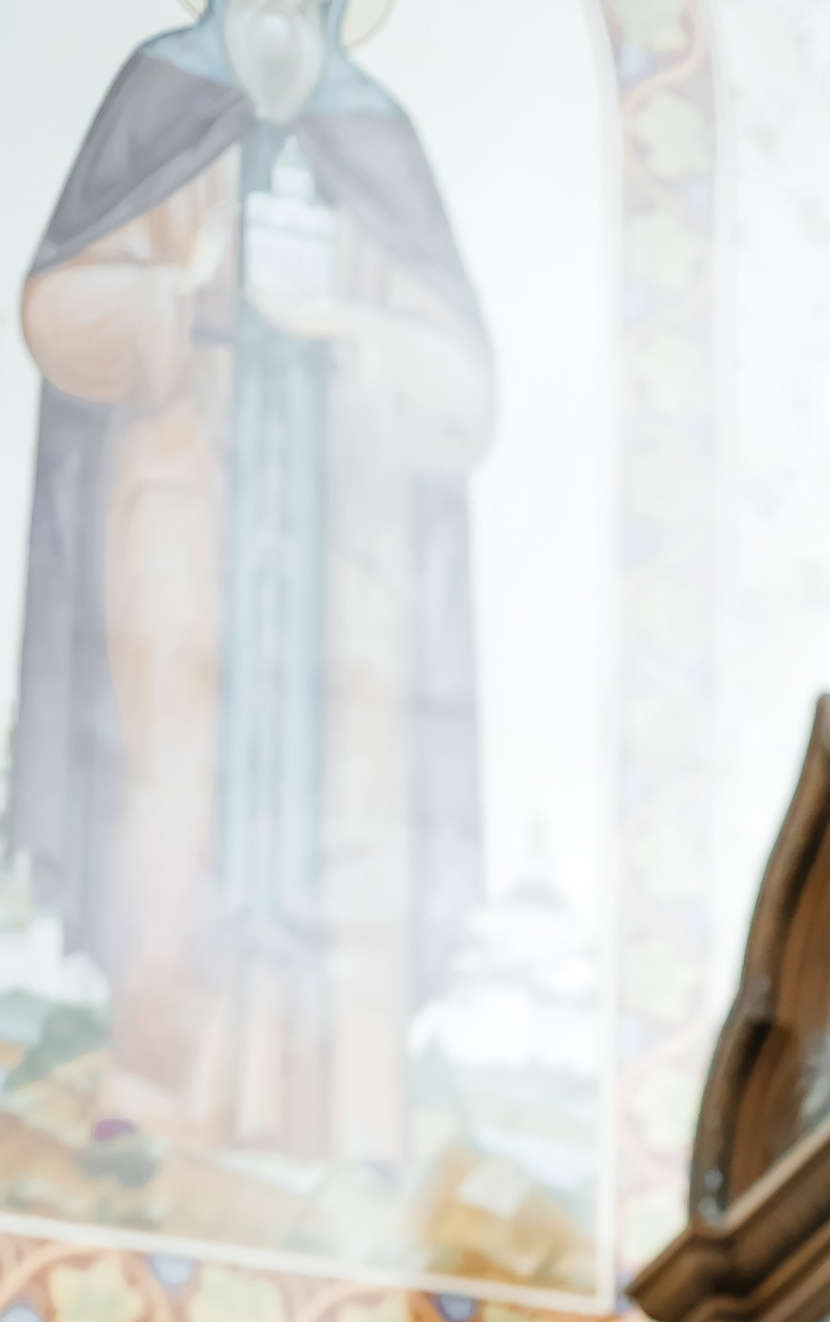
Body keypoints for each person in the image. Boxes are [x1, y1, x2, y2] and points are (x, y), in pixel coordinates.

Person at [14, 1, 493, 1180]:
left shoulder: (372, 130)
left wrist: (347, 320)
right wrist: (178, 289)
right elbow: (58, 308)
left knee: (357, 793)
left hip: (347, 528)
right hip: (183, 491)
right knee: (170, 767)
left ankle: (356, 1115)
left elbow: (463, 392)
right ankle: (154, 1082)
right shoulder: (160, 92)